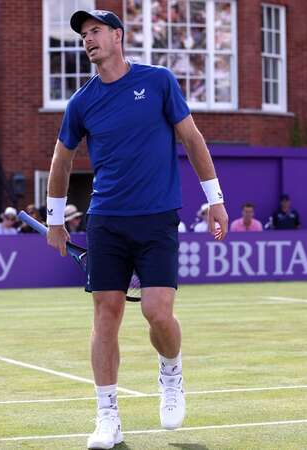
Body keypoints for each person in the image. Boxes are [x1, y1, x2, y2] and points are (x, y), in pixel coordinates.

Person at [46, 10, 229, 448]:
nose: (88, 40)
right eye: (83, 35)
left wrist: (215, 199)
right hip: (106, 219)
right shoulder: (82, 102)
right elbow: (61, 160)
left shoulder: (160, 81)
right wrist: (55, 219)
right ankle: (107, 417)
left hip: (158, 216)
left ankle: (171, 373)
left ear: (117, 36)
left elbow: (192, 139)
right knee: (105, 316)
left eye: (95, 31)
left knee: (157, 312)